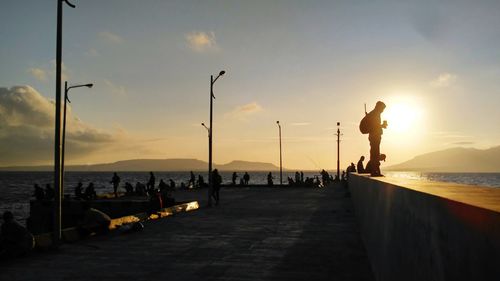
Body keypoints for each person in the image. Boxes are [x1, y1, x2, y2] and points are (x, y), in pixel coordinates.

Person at [364, 101, 387, 176]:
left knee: (375, 153)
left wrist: (381, 126)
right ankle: (374, 171)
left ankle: (375, 170)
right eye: (382, 108)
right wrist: (382, 125)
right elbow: (375, 127)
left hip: (374, 136)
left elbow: (375, 126)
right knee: (375, 153)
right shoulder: (375, 114)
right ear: (379, 107)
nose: (383, 110)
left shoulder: (374, 114)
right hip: (375, 136)